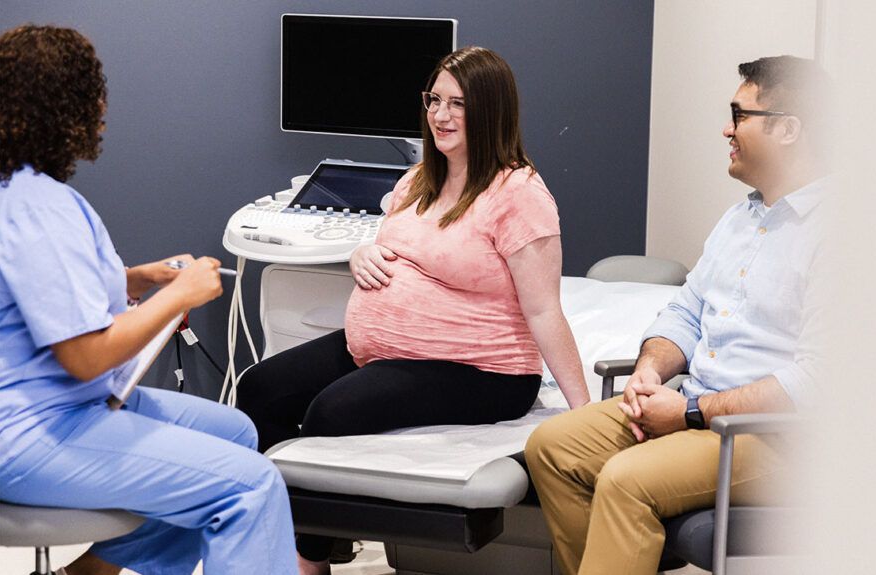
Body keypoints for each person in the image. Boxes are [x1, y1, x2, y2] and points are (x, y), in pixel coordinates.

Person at [236, 46, 590, 575]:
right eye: (434, 100)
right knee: (260, 388)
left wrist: (584, 414)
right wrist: (361, 253)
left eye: (458, 104)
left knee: (330, 413)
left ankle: (308, 559)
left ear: (492, 110)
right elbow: (388, 244)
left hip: (482, 370)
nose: (440, 115)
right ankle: (275, 541)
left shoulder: (519, 194)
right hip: (379, 349)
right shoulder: (421, 177)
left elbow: (543, 311)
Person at [0, 25, 299, 575]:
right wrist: (179, 297)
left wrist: (138, 280)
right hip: (31, 432)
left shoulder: (19, 190)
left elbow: (43, 294)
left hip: (64, 405)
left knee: (235, 432)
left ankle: (89, 573)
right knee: (250, 488)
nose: (104, 108)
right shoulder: (40, 207)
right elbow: (85, 354)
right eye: (95, 92)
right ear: (62, 106)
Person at [524, 55, 833, 575]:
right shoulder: (740, 218)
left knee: (625, 479)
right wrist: (649, 371)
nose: (726, 129)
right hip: (698, 410)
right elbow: (685, 312)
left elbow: (814, 379)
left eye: (739, 115)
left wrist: (691, 413)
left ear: (788, 129)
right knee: (551, 448)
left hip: (775, 438)